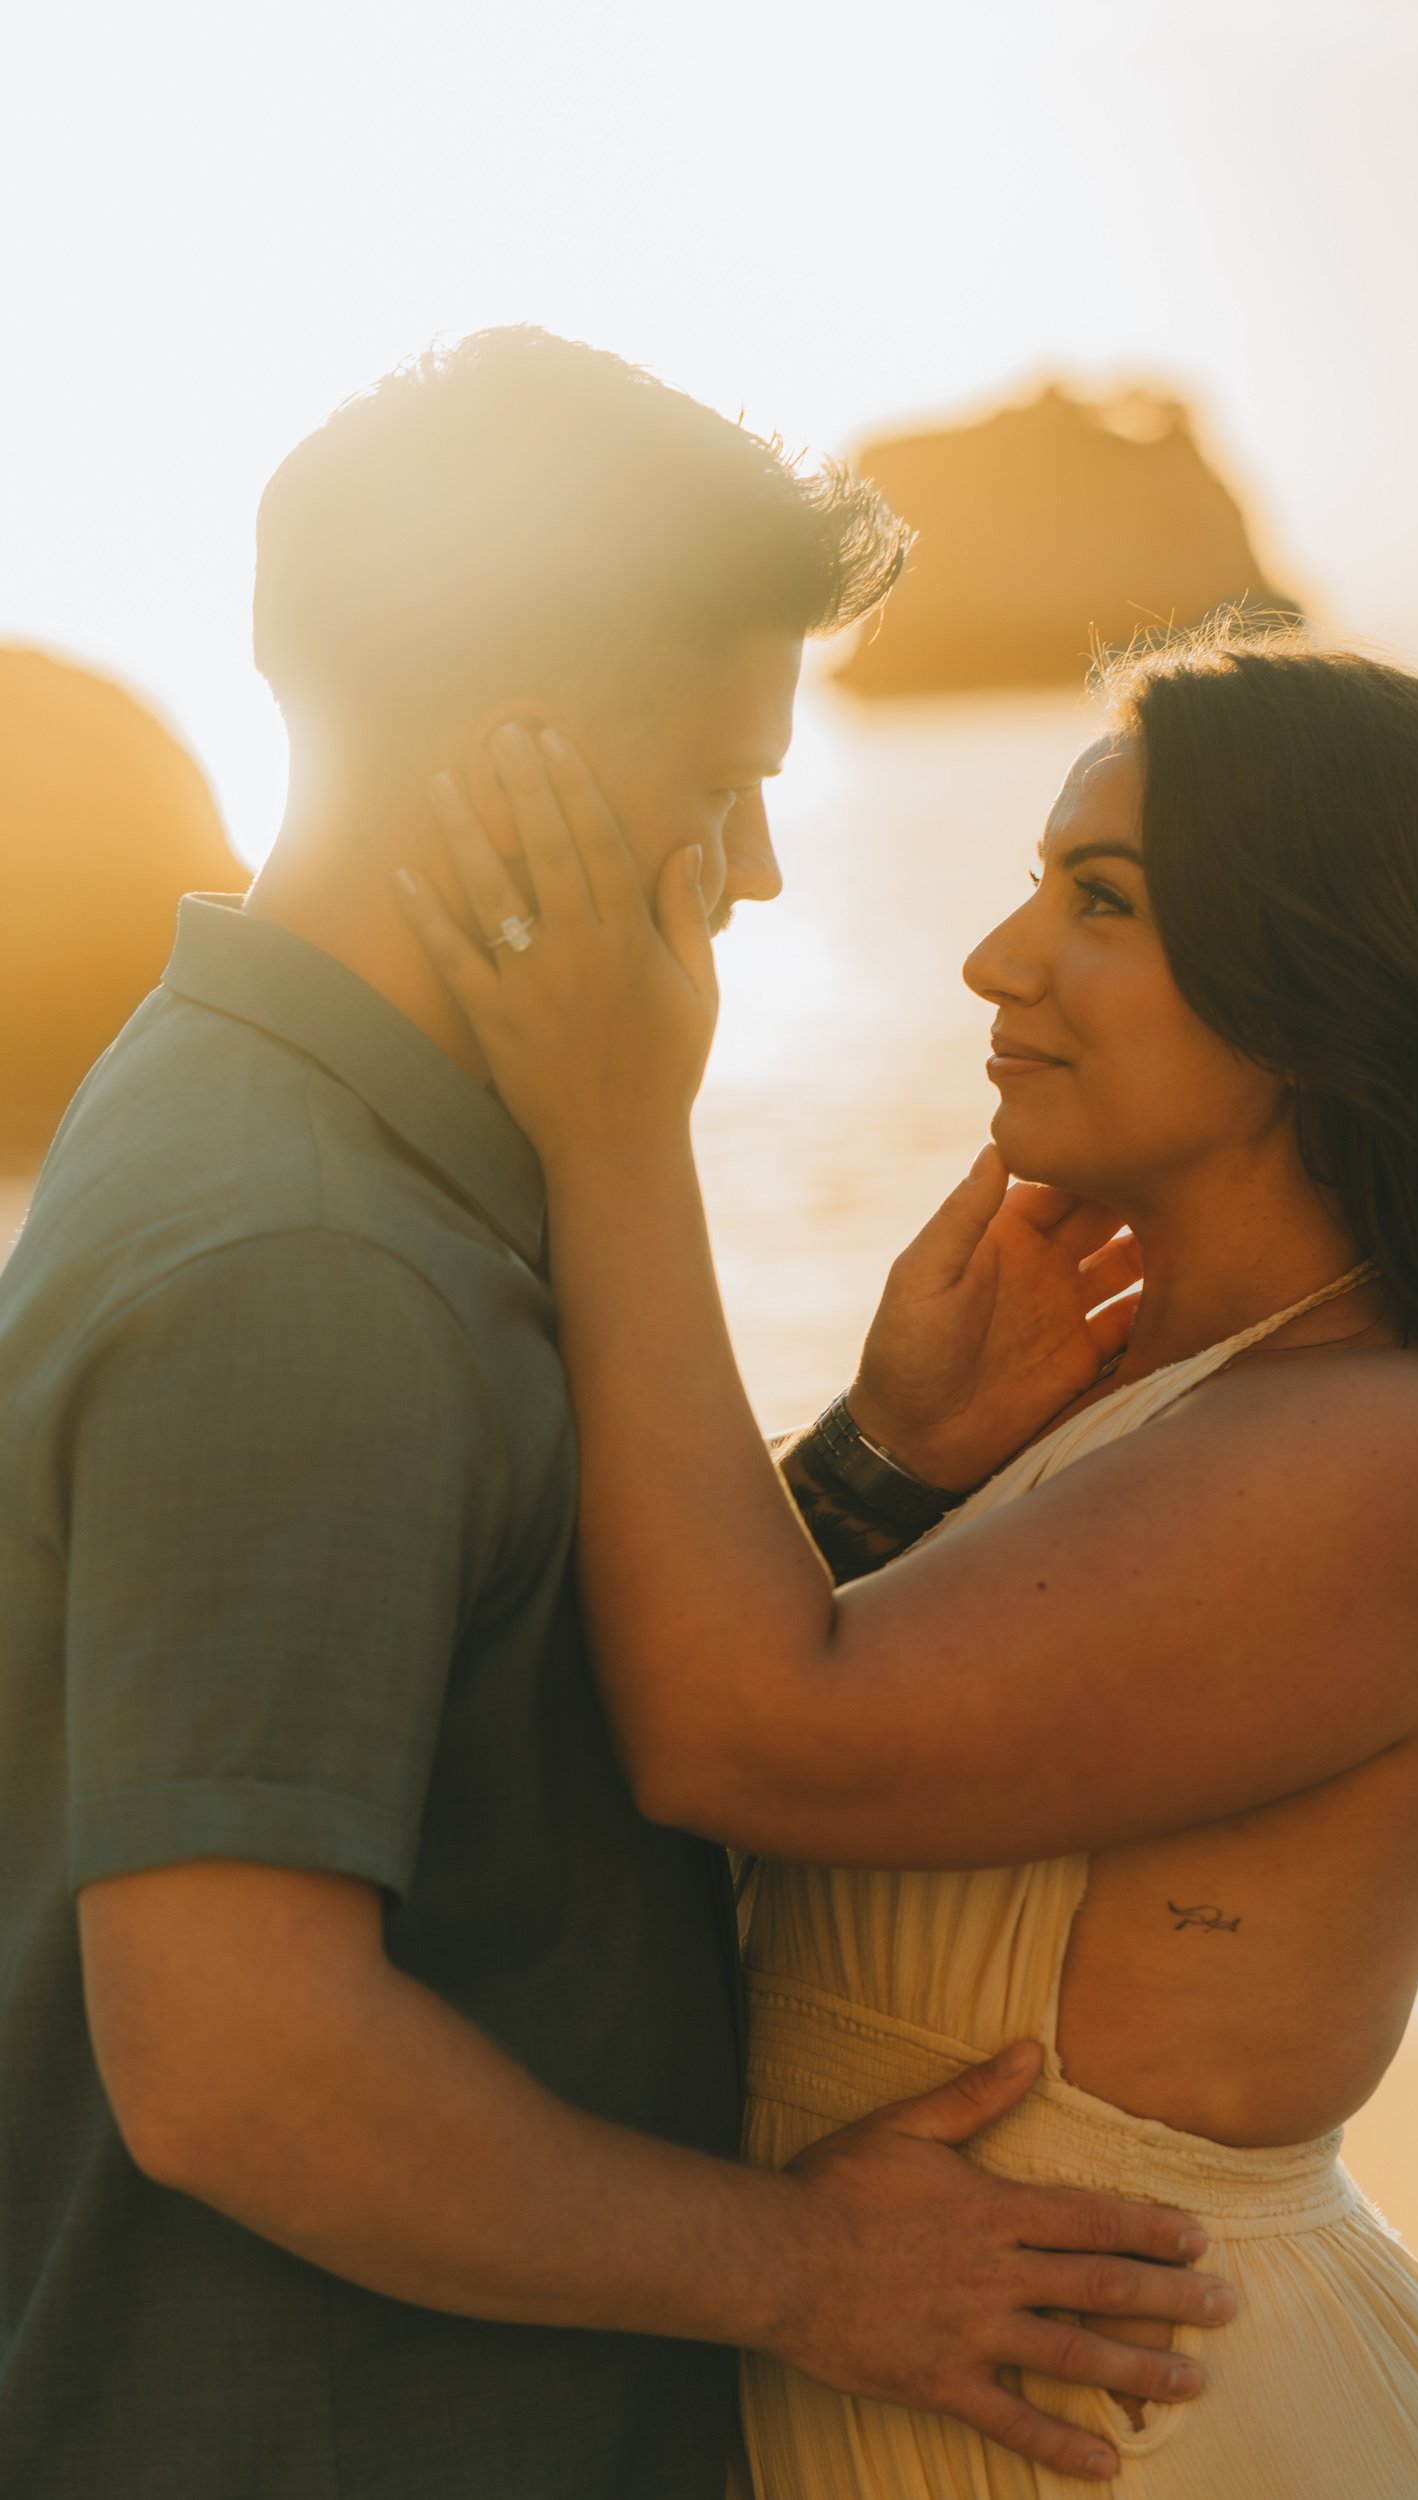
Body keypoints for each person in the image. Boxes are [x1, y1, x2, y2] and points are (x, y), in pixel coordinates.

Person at [0, 331, 1235, 2500]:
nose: (756, 863)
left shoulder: (314, 1138)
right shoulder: (300, 1264)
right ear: (525, 765)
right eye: (720, 777)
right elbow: (235, 2056)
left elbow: (463, 1697)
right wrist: (816, 2272)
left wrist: (873, 1468)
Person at [400, 622, 1418, 2498]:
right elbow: (703, 1730)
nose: (999, 960)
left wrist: (617, 1129)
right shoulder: (1175, 1412)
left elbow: (736, 1736)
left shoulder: (1392, 1460)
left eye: (1103, 899)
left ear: (1327, 981)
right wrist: (887, 1455)